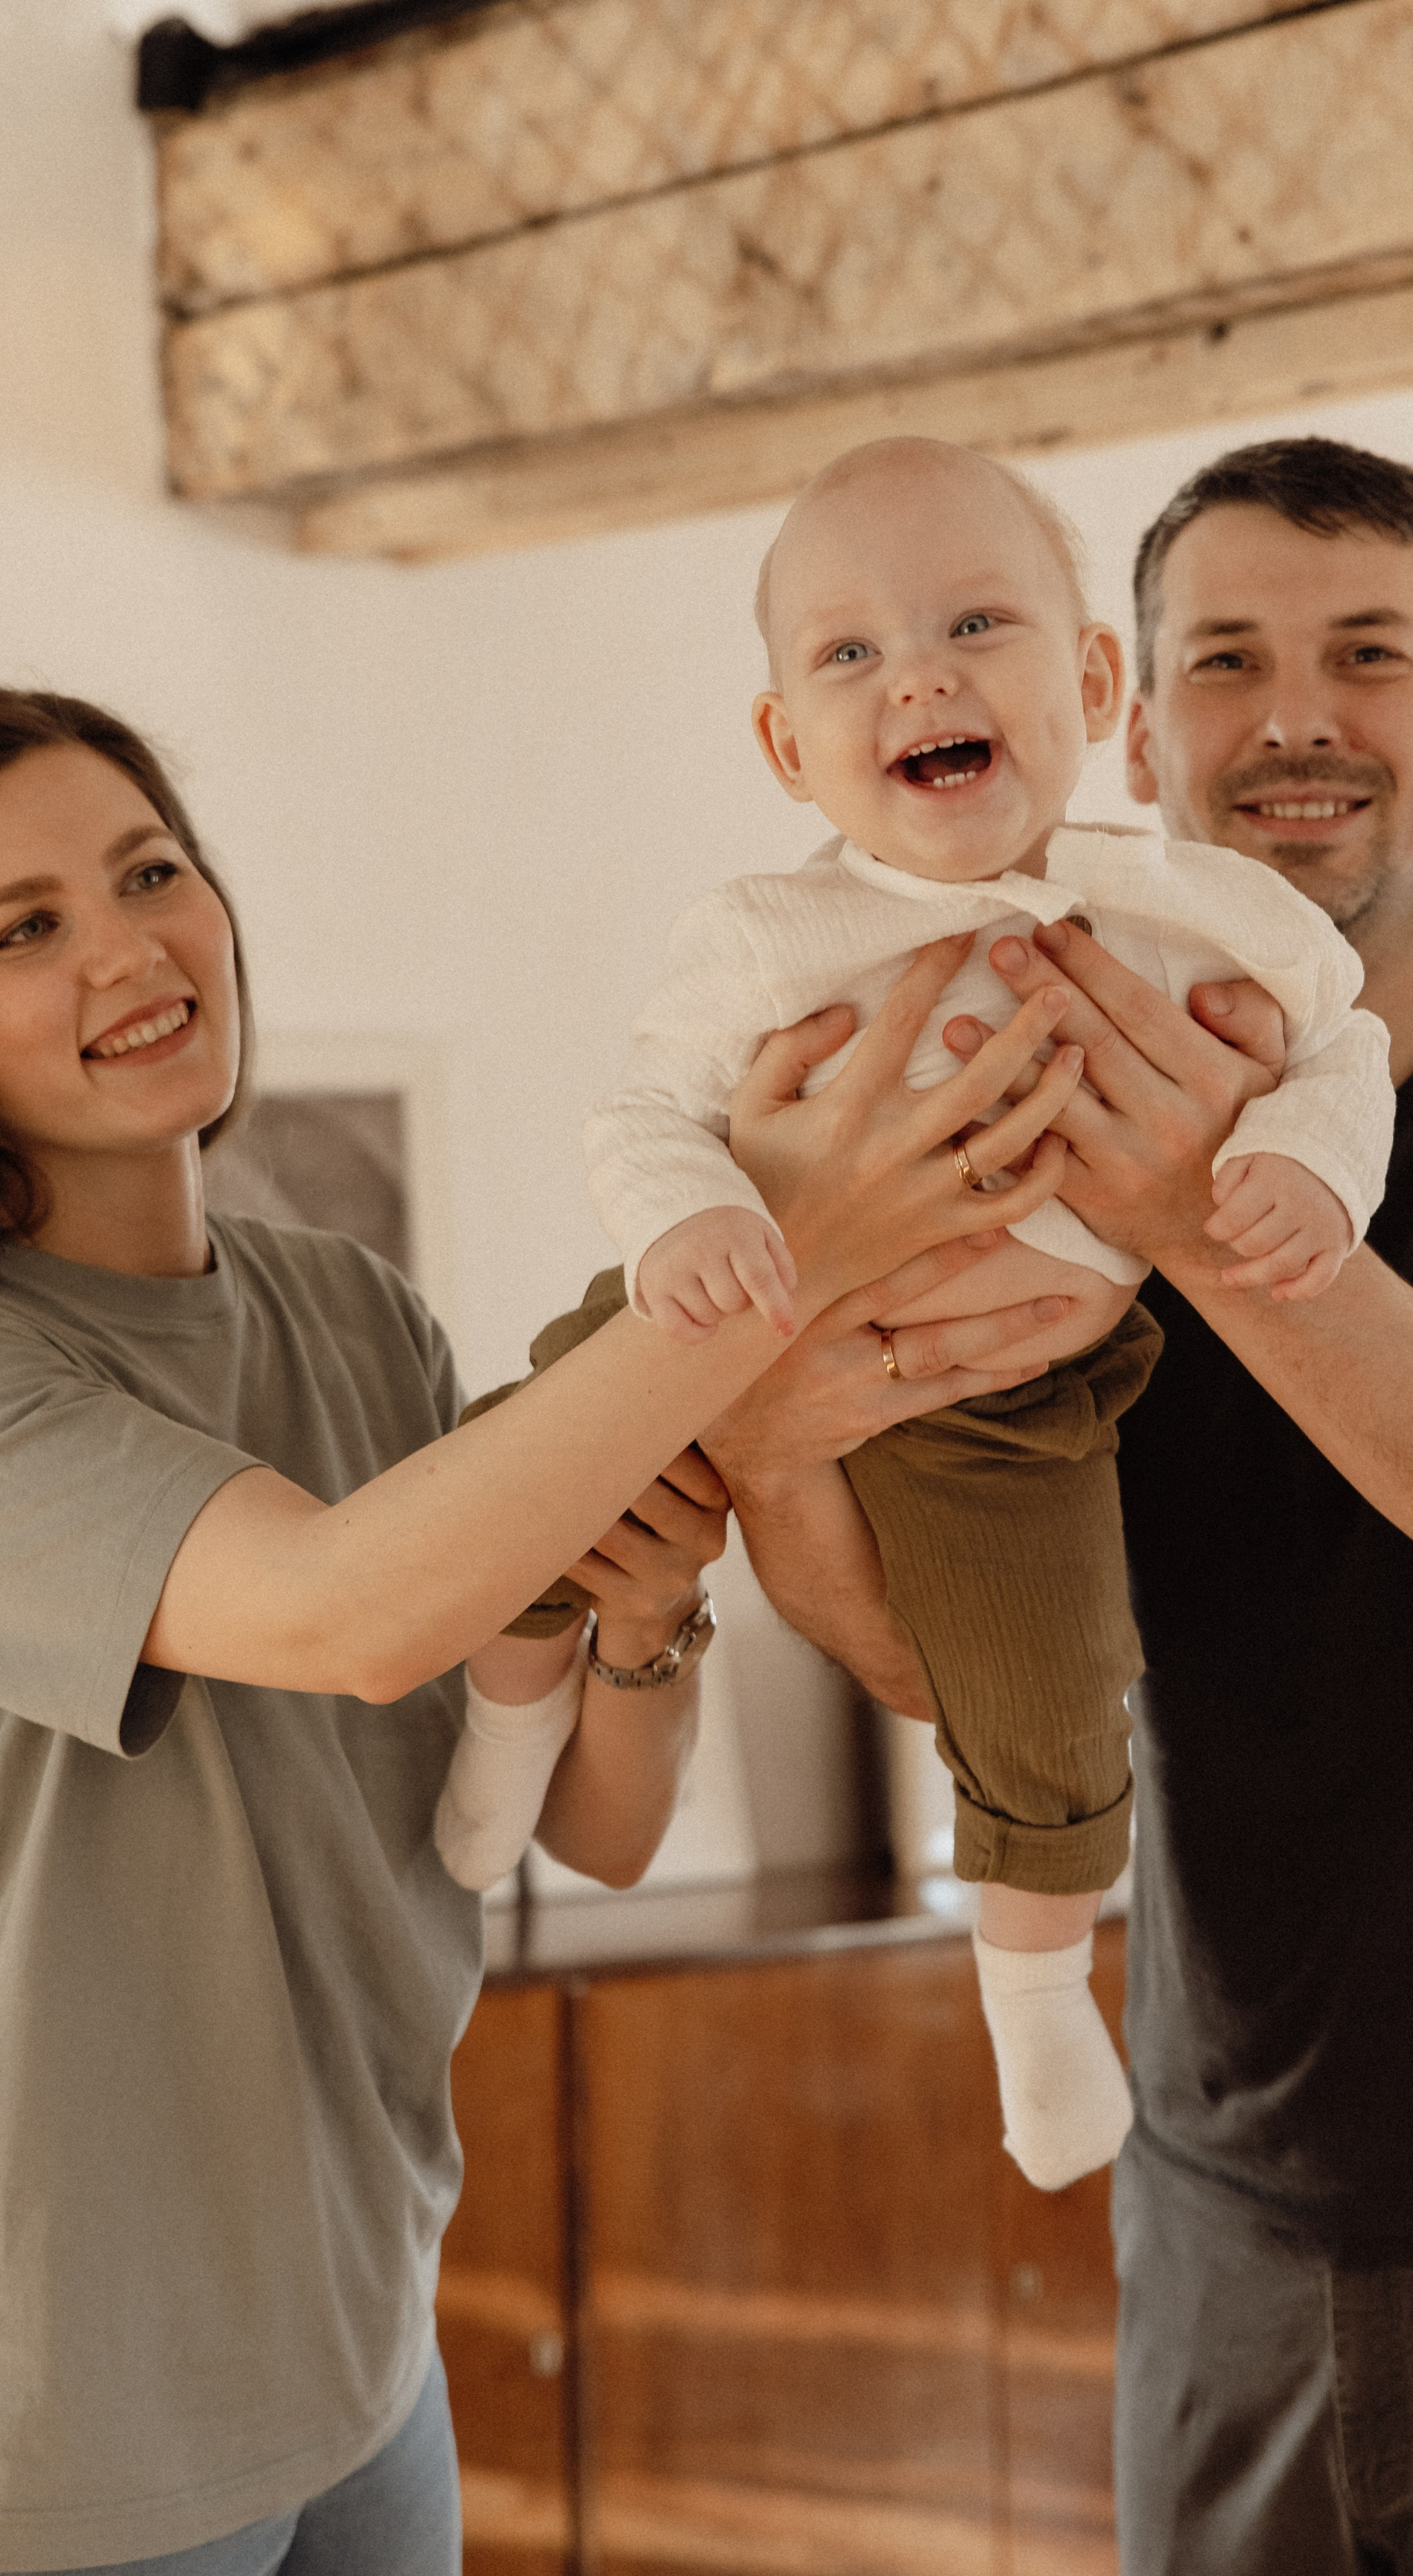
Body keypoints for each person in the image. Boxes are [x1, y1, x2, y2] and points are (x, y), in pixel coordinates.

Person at [698, 436, 1413, 2573]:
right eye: (1228, 663)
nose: (1300, 720)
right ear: (1129, 724)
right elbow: (947, 1653)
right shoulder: (1017, 1096)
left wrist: (1204, 1210)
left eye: (1373, 655)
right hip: (1215, 2222)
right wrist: (778, 1422)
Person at [0, 690, 1079, 2576]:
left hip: (368, 2349)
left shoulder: (350, 1314)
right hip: (78, 2432)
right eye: (23, 929)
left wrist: (644, 1613)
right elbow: (347, 1614)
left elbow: (583, 1832)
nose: (129, 946)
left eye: (151, 870)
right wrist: (781, 1250)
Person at [491, 436, 1393, 2194]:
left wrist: (1312, 1169)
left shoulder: (1194, 908)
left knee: (1062, 1686)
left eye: (978, 622)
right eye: (848, 655)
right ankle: (506, 1719)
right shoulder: (770, 933)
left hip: (1015, 1393)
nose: (919, 674)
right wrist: (689, 1225)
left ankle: (1035, 1991)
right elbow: (645, 1115)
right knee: (524, 1455)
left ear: (1089, 681)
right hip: (740, 1309)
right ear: (786, 748)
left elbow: (1336, 1042)